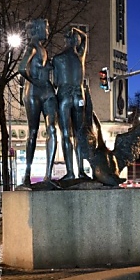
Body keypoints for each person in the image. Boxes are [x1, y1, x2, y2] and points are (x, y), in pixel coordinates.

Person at [18, 19, 58, 185]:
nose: (47, 31)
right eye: (45, 28)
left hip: (47, 91)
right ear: (38, 29)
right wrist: (33, 81)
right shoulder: (32, 47)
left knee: (52, 129)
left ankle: (48, 174)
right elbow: (21, 68)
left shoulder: (42, 49)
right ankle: (27, 173)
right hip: (34, 91)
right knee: (33, 132)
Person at [52, 27, 88, 180]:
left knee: (66, 134)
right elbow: (85, 38)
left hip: (65, 96)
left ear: (66, 41)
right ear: (76, 42)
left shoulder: (57, 59)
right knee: (79, 134)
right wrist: (76, 30)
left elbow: (56, 82)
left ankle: (70, 173)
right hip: (79, 96)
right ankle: (81, 171)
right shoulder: (80, 56)